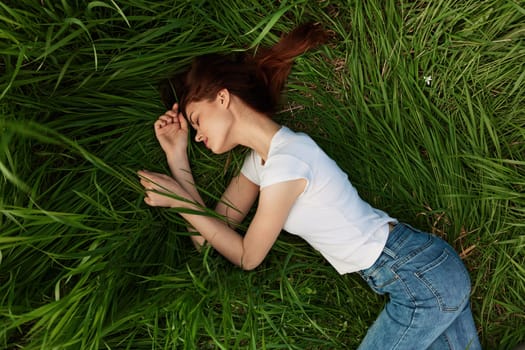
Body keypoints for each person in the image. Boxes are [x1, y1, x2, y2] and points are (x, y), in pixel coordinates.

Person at [138, 23, 481, 350]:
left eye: (196, 120)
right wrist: (177, 156)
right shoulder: (262, 163)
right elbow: (210, 237)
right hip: (422, 274)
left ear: (223, 97)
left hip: (417, 277)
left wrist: (174, 197)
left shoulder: (289, 162)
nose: (197, 134)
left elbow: (247, 256)